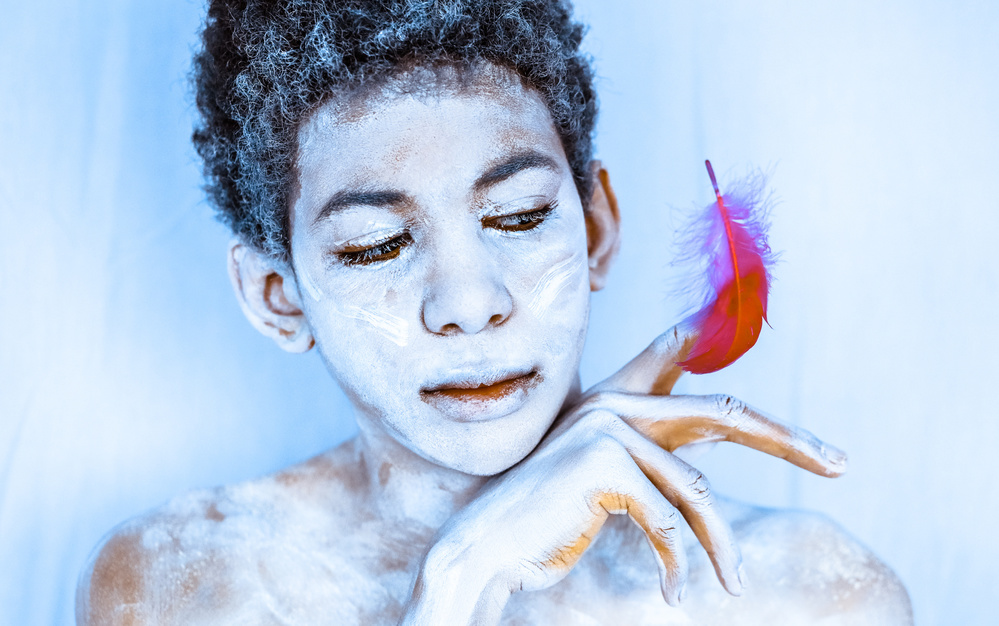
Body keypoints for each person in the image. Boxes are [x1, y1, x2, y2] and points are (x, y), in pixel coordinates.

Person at [76, 1, 913, 623]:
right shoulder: (186, 586)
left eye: (518, 217)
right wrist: (463, 581)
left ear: (595, 230)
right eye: (375, 246)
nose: (470, 304)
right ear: (277, 295)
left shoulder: (805, 596)